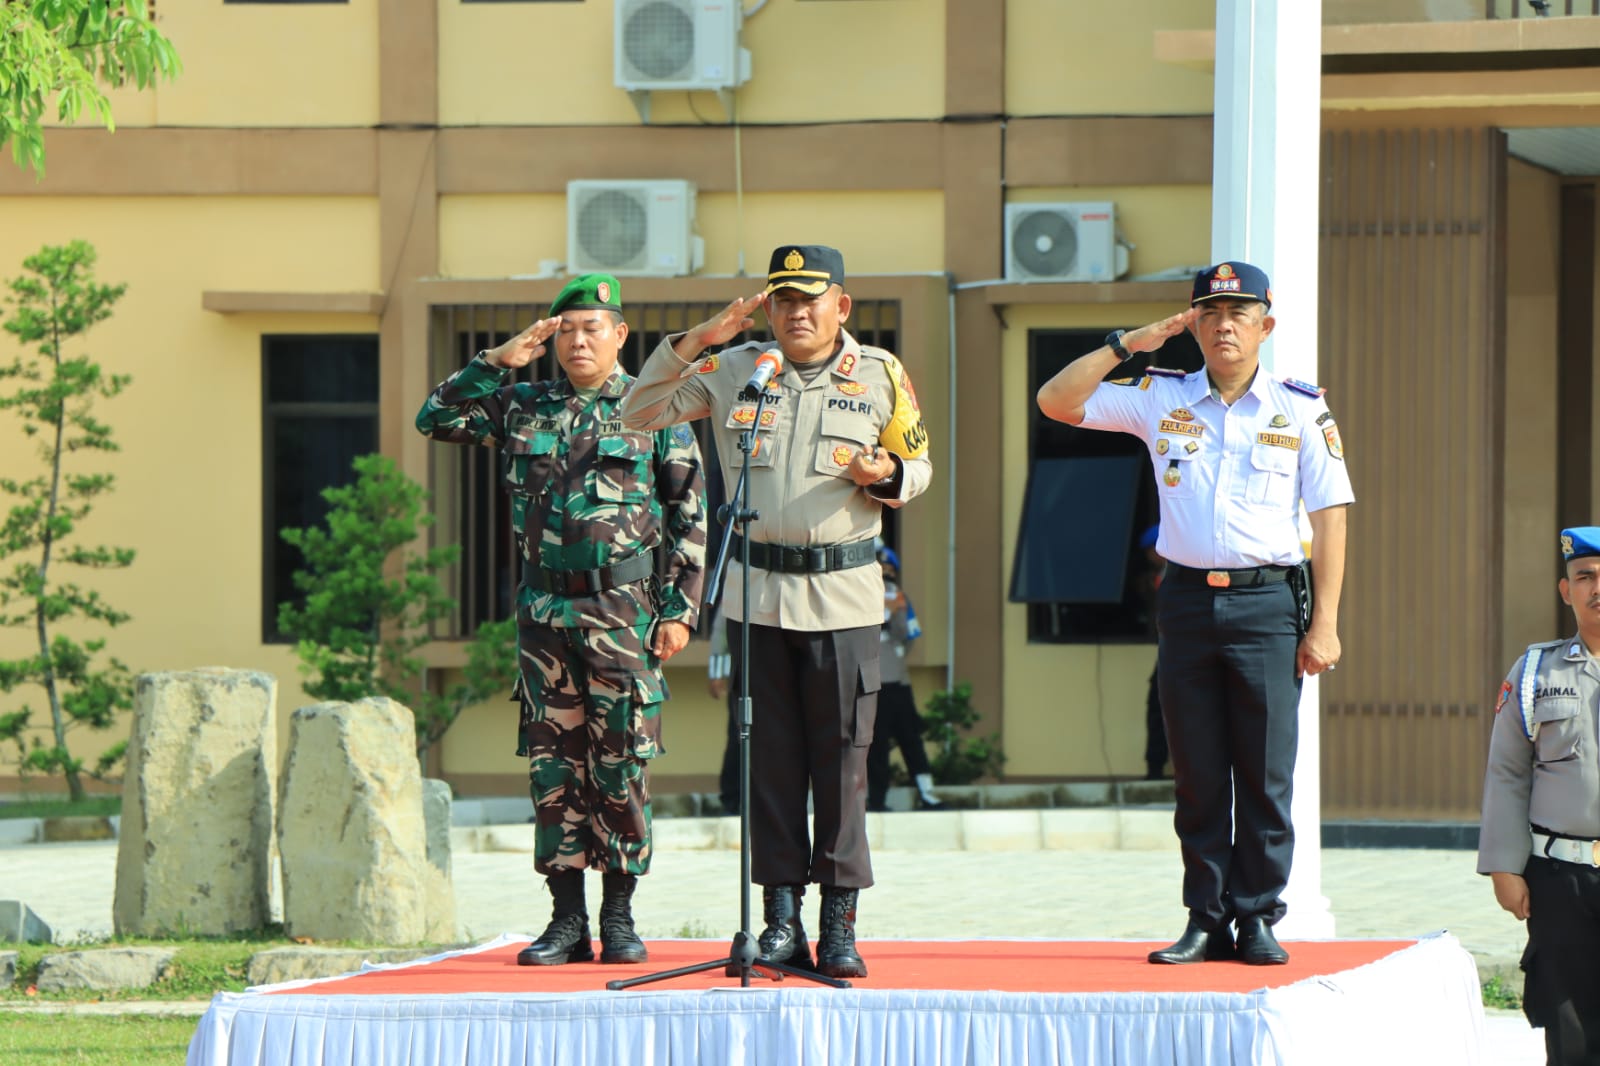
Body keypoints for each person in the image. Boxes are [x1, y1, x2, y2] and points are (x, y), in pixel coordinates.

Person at [618, 244, 932, 979]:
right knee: (772, 767)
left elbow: (917, 467)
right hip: (759, 599)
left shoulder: (881, 374)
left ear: (840, 307)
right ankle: (781, 922)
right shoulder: (738, 371)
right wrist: (701, 341)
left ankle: (840, 925)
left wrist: (887, 474)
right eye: (781, 301)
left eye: (809, 300)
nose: (795, 313)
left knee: (845, 769)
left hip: (846, 601)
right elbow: (639, 409)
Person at [1036, 261, 1353, 966]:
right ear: (1194, 326)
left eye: (1239, 313)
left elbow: (1330, 520)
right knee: (1199, 771)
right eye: (1209, 314)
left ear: (1265, 326)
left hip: (1269, 602)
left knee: (1266, 773)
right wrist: (1131, 344)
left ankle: (1259, 915)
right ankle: (1205, 917)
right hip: (1185, 599)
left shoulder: (1299, 408)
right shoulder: (1161, 397)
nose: (1224, 326)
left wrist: (1324, 621)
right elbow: (1056, 400)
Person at [415, 273, 707, 967]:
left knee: (621, 761)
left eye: (592, 327)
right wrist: (496, 362)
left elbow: (690, 515)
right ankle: (567, 920)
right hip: (544, 611)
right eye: (566, 329)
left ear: (619, 336)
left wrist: (680, 610)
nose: (579, 340)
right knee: (555, 767)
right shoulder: (523, 404)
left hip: (624, 612)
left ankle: (620, 915)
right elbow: (436, 418)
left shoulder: (654, 405)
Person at [1479, 526, 1600, 1066]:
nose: (1597, 588)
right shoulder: (1534, 671)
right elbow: (1507, 772)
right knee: (1569, 1029)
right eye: (1585, 577)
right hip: (1560, 880)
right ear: (1565, 589)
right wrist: (1505, 867)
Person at [866, 544, 945, 812]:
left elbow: (908, 637)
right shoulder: (860, 596)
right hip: (871, 683)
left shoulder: (900, 598)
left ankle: (927, 794)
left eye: (890, 569)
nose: (886, 572)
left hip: (898, 683)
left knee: (910, 739)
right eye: (882, 567)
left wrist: (895, 612)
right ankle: (876, 799)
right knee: (875, 744)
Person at [707, 600, 741, 816]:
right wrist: (716, 673)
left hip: (775, 675)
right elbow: (721, 630)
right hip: (743, 675)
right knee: (738, 737)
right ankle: (731, 798)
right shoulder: (738, 579)